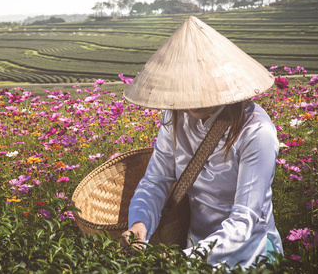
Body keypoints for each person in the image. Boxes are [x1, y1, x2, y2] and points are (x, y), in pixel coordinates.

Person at [120, 16, 283, 269]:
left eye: (201, 87)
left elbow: (244, 221)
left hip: (249, 254)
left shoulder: (256, 132)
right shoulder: (174, 118)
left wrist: (184, 259)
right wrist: (139, 224)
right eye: (186, 88)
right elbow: (156, 180)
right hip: (194, 245)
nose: (192, 100)